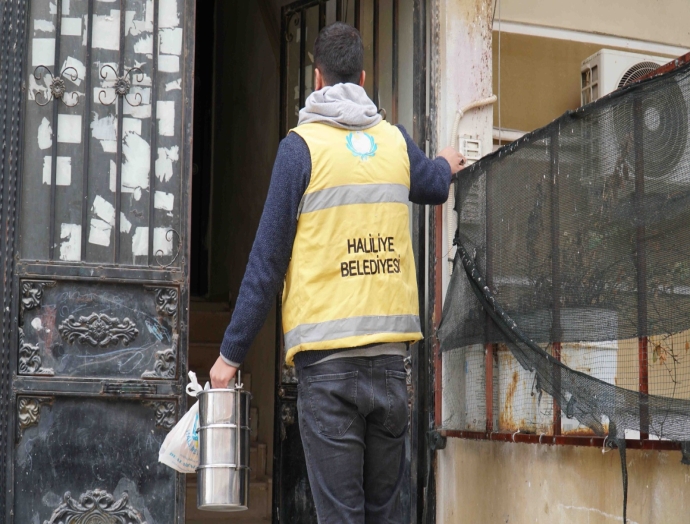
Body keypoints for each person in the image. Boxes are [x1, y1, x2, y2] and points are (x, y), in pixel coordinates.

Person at [210, 22, 465, 524]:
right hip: (391, 369)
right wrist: (446, 162)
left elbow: (267, 262)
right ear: (364, 77)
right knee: (384, 514)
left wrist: (230, 356)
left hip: (328, 374)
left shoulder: (300, 149)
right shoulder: (394, 142)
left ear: (317, 78)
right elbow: (433, 184)